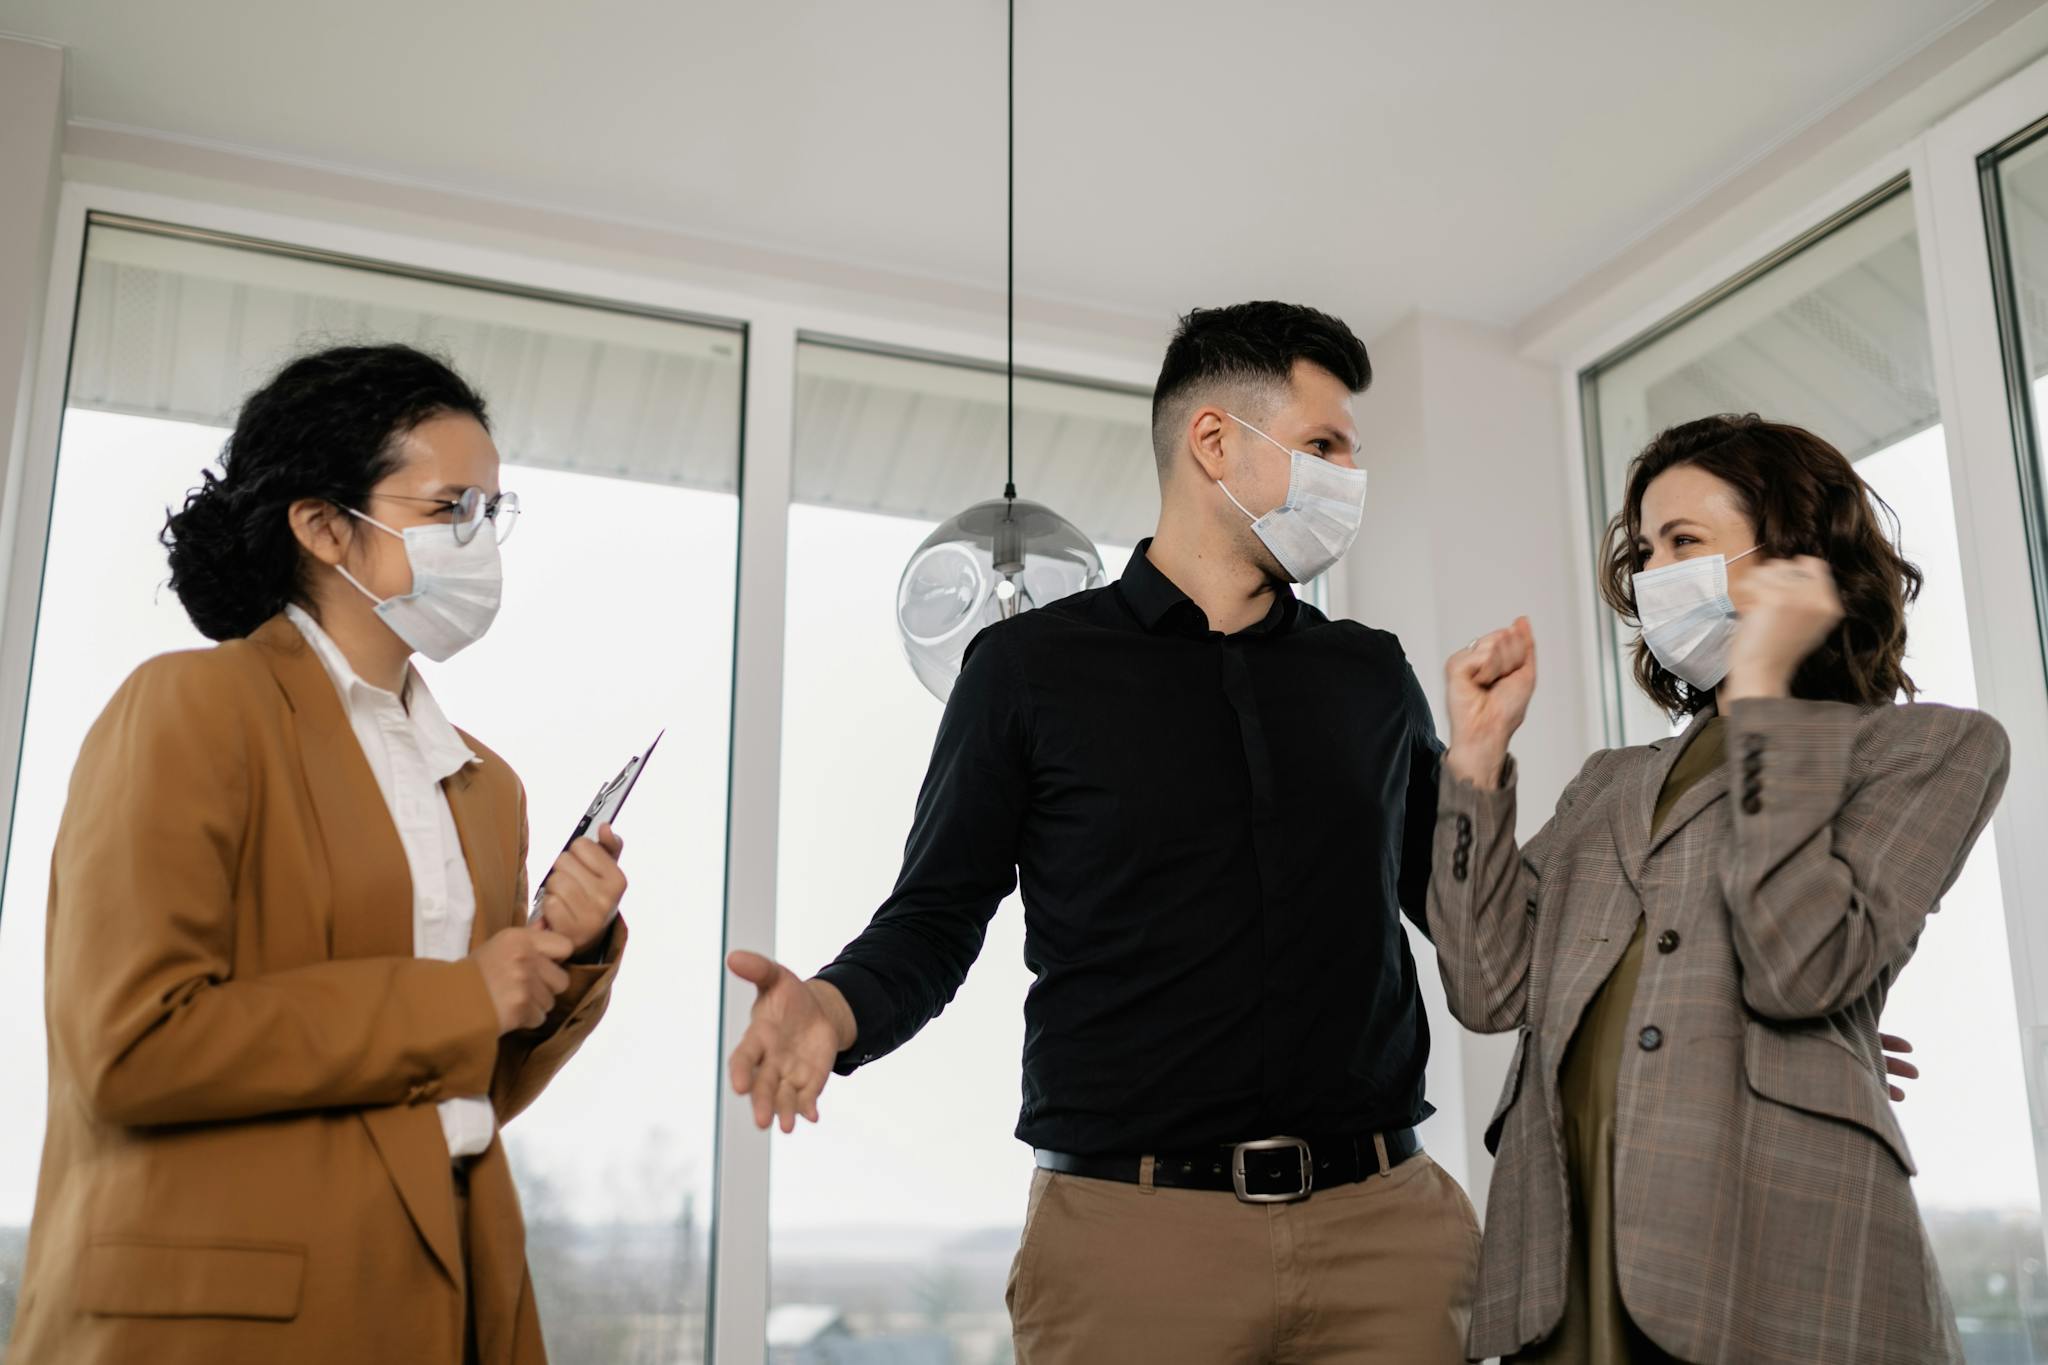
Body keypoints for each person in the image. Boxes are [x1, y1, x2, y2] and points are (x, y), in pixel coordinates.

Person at [728, 301, 1481, 1363]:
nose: (1347, 478)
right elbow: (935, 916)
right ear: (1213, 441)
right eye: (1323, 446)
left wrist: (1484, 783)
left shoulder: (1369, 675)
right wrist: (834, 1007)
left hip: (1386, 1236)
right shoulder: (1026, 671)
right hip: (1132, 1246)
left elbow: (1465, 920)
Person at [8, 344, 629, 1365]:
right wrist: (463, 996)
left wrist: (564, 955)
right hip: (233, 1316)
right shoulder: (190, 707)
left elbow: (461, 1082)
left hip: (454, 1298)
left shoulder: (486, 785)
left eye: (492, 513)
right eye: (449, 509)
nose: (480, 543)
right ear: (324, 525)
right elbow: (130, 1047)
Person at [1433, 414, 2008, 1365]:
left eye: (1684, 543)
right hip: (1565, 1264)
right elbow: (1486, 986)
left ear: (1792, 554)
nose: (1656, 575)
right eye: (1647, 550)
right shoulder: (1605, 782)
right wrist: (1478, 763)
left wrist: (1764, 689)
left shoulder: (1930, 748)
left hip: (1779, 1255)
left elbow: (1799, 971)